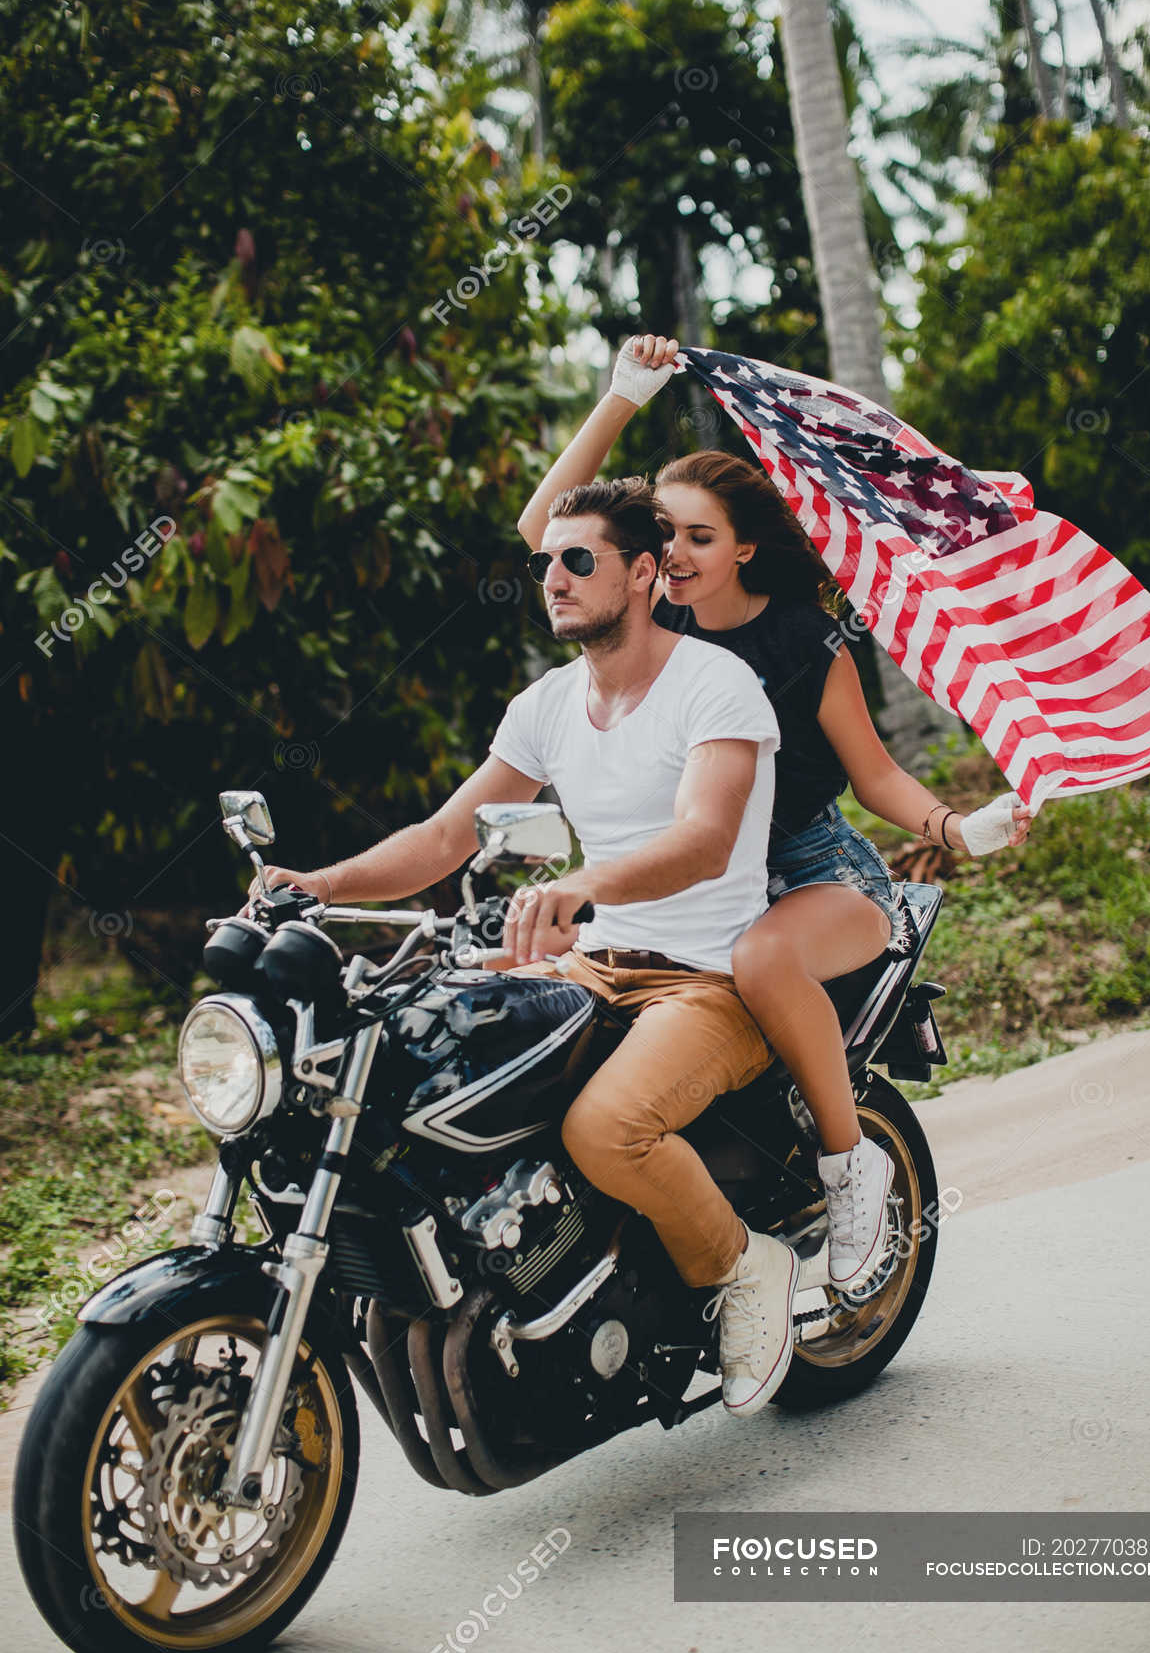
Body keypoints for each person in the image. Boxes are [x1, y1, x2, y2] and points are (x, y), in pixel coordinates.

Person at [259, 477, 819, 1418]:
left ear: (644, 573)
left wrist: (579, 886)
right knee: (421, 1055)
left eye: (578, 559)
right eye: (543, 563)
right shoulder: (551, 703)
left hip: (711, 979)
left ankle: (744, 1265)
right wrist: (320, 886)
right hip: (592, 966)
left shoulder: (714, 683)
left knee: (606, 1129)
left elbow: (706, 839)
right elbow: (445, 837)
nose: (552, 578)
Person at [517, 334, 1037, 1294]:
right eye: (661, 538)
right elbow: (548, 525)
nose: (670, 556)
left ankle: (850, 1171)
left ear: (746, 546)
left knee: (762, 958)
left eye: (698, 538)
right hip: (696, 884)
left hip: (813, 868)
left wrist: (958, 830)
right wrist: (624, 396)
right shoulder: (650, 620)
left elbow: (876, 778)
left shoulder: (807, 638)